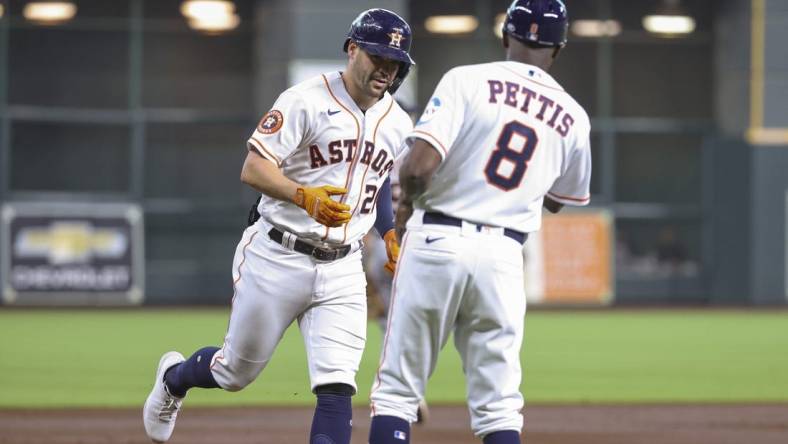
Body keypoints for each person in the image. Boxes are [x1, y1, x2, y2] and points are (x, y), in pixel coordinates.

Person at [142, 8, 415, 444]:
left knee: (337, 386)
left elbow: (378, 180)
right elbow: (253, 167)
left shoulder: (399, 122)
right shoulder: (305, 99)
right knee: (234, 372)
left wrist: (388, 232)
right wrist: (303, 196)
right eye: (378, 56)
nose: (386, 69)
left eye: (395, 62)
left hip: (344, 268)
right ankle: (174, 379)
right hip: (277, 254)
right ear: (352, 49)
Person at [368, 1, 592, 443]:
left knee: (397, 392)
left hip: (438, 237)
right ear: (559, 49)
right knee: (499, 404)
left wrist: (408, 205)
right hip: (505, 255)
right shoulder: (573, 117)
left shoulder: (466, 79)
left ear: (505, 34)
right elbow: (560, 199)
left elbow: (415, 169)